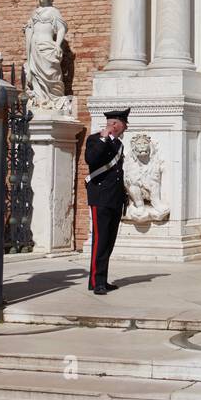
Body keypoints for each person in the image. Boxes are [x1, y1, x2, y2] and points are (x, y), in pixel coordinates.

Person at [85, 108, 129, 295]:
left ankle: (101, 279)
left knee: (109, 241)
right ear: (115, 124)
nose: (126, 127)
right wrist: (103, 139)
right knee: (100, 241)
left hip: (114, 199)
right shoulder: (95, 140)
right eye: (124, 124)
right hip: (100, 198)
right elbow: (91, 159)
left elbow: (118, 174)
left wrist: (123, 197)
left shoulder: (119, 144)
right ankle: (96, 281)